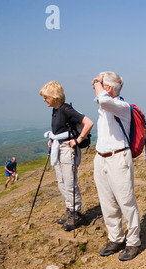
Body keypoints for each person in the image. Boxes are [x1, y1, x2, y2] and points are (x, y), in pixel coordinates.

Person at [91, 71, 141, 261]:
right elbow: (102, 101)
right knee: (107, 201)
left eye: (99, 83)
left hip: (119, 158)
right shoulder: (105, 107)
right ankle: (116, 238)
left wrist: (97, 80)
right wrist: (99, 81)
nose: (95, 85)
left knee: (126, 201)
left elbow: (102, 100)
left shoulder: (121, 106)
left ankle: (133, 241)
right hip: (101, 158)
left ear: (108, 88)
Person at [39, 80, 94, 231]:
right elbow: (60, 129)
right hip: (59, 147)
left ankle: (76, 213)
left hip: (68, 150)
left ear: (54, 96)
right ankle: (70, 210)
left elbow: (88, 123)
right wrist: (52, 139)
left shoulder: (66, 109)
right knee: (61, 182)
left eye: (46, 97)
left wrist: (78, 140)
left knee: (70, 183)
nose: (44, 100)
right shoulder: (56, 110)